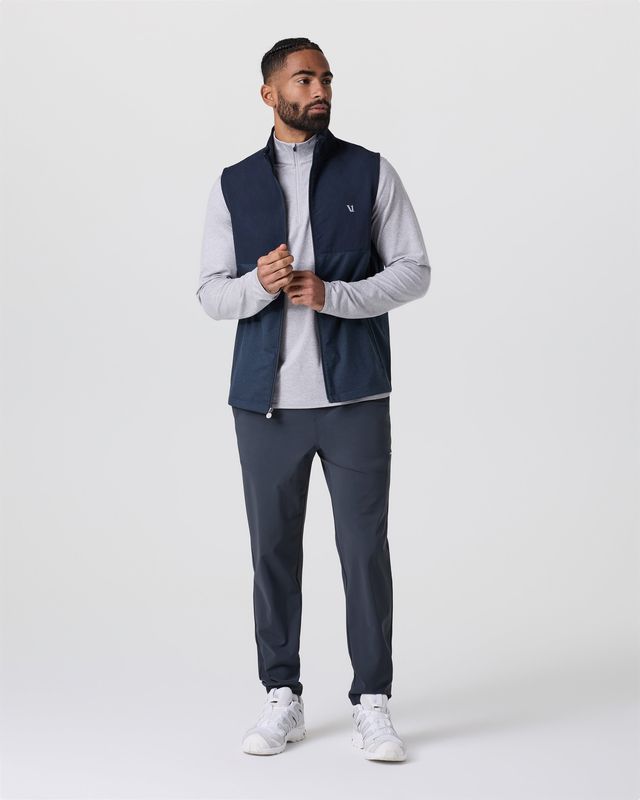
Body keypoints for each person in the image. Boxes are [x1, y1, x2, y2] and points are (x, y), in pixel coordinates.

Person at [196, 37, 431, 761]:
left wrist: (335, 296)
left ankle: (373, 702)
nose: (320, 89)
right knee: (271, 553)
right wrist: (257, 285)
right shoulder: (234, 184)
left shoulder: (370, 170)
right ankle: (282, 696)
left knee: (363, 552)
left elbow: (415, 270)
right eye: (304, 79)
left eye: (326, 77)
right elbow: (210, 293)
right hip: (264, 404)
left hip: (354, 396)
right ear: (270, 93)